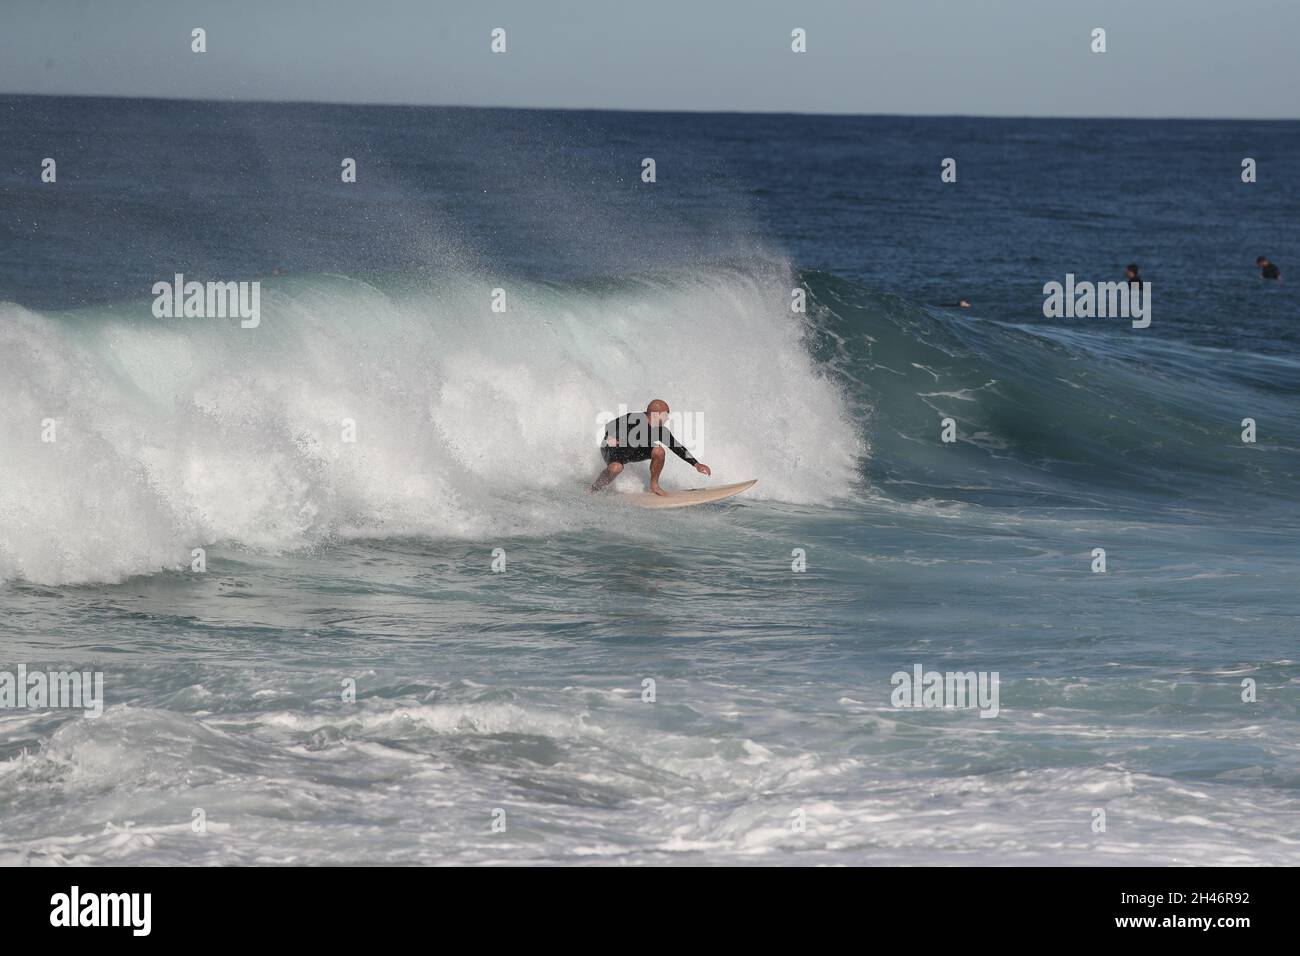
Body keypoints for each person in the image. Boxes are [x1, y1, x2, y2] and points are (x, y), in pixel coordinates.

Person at [591, 399, 711, 496]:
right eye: (665, 415)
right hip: (614, 450)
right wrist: (611, 438)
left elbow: (677, 447)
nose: (667, 418)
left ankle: (654, 485)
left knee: (659, 451)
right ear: (656, 414)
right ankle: (595, 489)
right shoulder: (634, 419)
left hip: (634, 452)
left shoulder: (660, 431)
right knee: (616, 468)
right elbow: (609, 426)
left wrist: (696, 464)